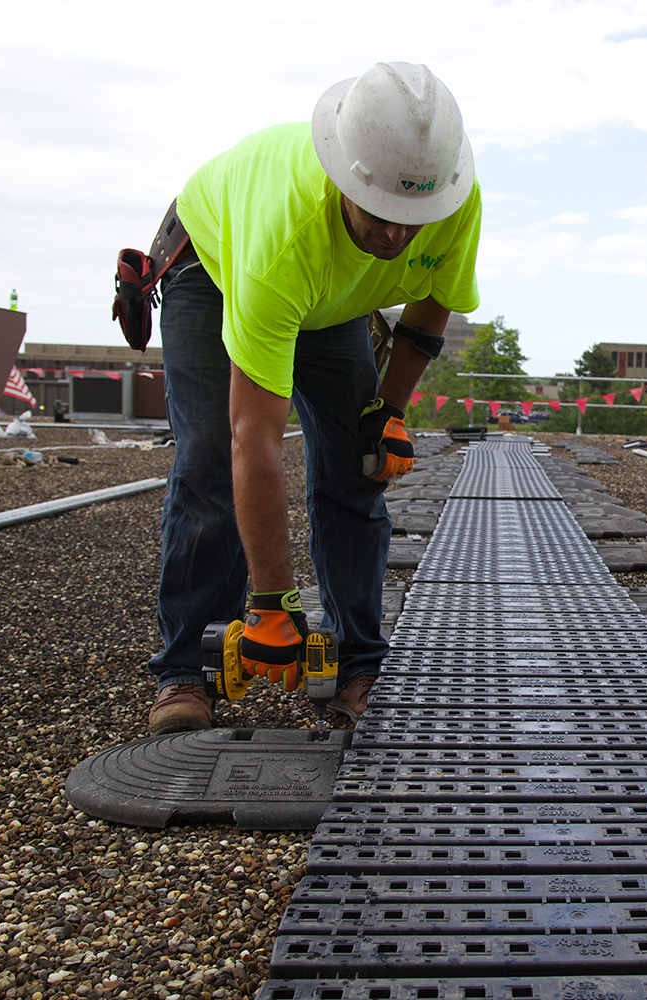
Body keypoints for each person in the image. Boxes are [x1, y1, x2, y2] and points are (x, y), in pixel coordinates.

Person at [145, 62, 481, 736]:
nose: (396, 237)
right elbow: (256, 438)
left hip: (332, 301)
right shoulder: (282, 237)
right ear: (343, 180)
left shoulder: (448, 199)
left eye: (411, 220)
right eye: (382, 215)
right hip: (211, 265)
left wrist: (384, 412)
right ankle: (188, 671)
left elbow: (431, 308)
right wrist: (272, 600)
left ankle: (357, 663)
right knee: (211, 458)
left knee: (359, 463)